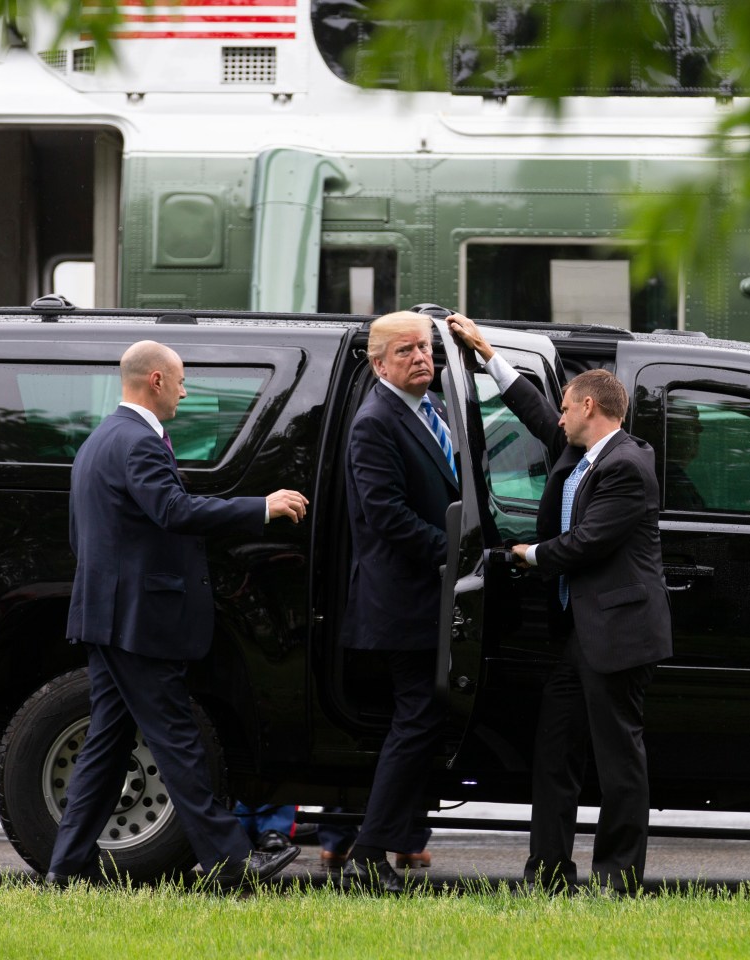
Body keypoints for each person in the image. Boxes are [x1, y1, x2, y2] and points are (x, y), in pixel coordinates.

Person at [45, 340, 309, 889]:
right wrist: (262, 506)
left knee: (107, 745)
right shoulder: (137, 442)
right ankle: (231, 862)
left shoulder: (100, 440)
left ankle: (65, 869)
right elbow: (173, 510)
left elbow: (83, 535)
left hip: (109, 617)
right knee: (177, 739)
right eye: (182, 381)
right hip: (137, 624)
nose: (186, 393)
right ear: (156, 381)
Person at [448, 314, 672, 894]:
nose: (562, 417)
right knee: (555, 753)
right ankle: (546, 873)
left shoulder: (626, 466)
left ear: (592, 409)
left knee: (619, 762)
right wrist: (489, 354)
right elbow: (536, 411)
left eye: (570, 409)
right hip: (581, 636)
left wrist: (526, 555)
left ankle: (617, 879)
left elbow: (588, 542)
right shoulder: (584, 451)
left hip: (618, 634)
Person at [338, 311, 458, 893]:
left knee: (422, 720)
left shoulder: (428, 412)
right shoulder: (375, 421)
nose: (421, 357)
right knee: (416, 719)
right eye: (407, 350)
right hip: (404, 600)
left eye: (426, 347)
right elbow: (386, 517)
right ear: (378, 362)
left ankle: (401, 837)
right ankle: (368, 851)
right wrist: (456, 552)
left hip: (427, 596)